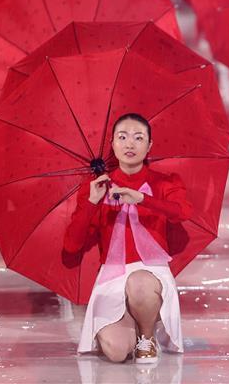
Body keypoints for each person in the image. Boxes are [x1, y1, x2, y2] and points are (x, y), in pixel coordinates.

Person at [64, 113, 192, 364]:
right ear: (112, 144)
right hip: (112, 276)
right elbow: (72, 245)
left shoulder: (165, 182)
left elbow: (183, 212)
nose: (130, 144)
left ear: (149, 145)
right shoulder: (97, 187)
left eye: (138, 137)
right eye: (122, 137)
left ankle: (146, 336)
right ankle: (129, 325)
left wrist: (143, 199)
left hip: (149, 275)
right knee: (116, 353)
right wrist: (91, 202)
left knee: (140, 283)